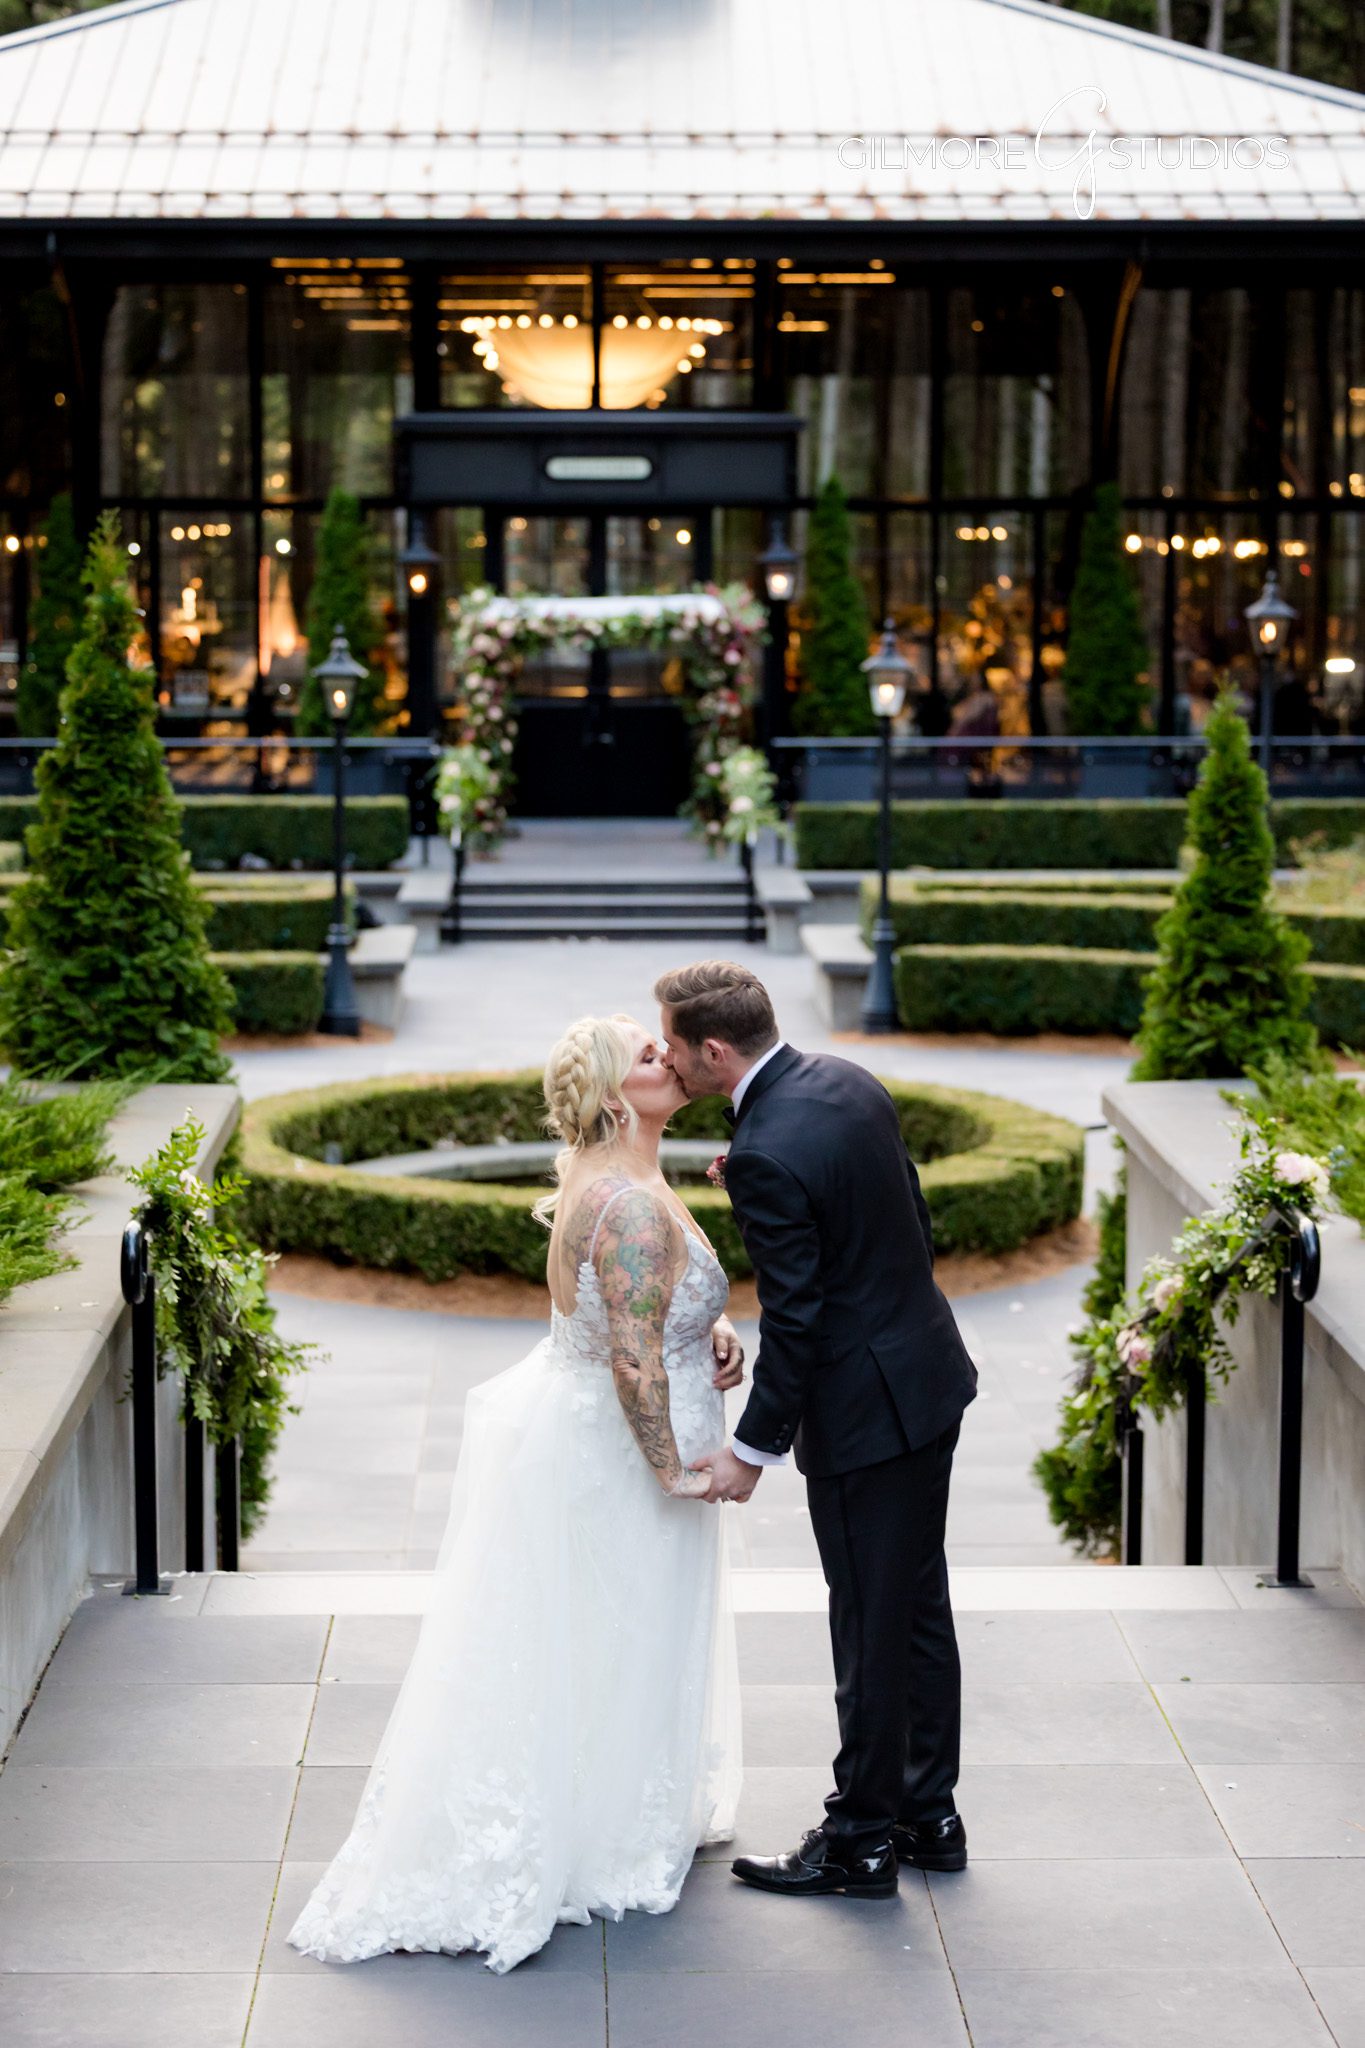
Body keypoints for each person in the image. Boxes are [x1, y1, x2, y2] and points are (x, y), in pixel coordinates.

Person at [286, 1015, 744, 1974]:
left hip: (581, 1435)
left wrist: (713, 1330)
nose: (669, 1055)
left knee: (600, 1639)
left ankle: (616, 1802)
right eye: (650, 1055)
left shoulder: (619, 1172)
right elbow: (626, 1355)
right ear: (620, 1096)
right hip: (617, 1462)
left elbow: (644, 1316)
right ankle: (593, 1831)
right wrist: (668, 1466)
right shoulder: (625, 1201)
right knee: (614, 1633)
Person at [654, 961, 978, 1901]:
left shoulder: (763, 1150)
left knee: (869, 1622)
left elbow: (795, 1317)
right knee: (914, 1608)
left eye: (673, 1044)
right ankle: (930, 1815)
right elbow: (910, 1222)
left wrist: (751, 1450)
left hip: (867, 1415)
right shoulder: (846, 1080)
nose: (666, 1057)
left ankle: (859, 1841)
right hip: (927, 1376)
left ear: (714, 1050)